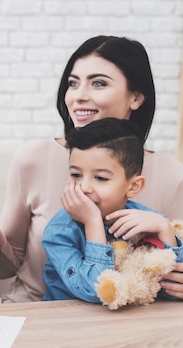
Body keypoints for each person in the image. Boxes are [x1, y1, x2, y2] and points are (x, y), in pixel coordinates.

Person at [0, 35, 183, 303]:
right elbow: (5, 268)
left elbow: (169, 266)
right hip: (40, 316)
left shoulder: (171, 173)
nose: (79, 96)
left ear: (136, 97)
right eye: (73, 83)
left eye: (98, 83)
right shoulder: (33, 159)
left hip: (129, 326)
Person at [42, 118, 183, 301]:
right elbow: (94, 290)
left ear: (133, 187)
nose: (84, 187)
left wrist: (165, 229)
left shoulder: (149, 221)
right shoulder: (60, 232)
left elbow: (172, 289)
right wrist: (92, 222)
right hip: (69, 323)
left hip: (131, 323)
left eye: (100, 178)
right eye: (76, 175)